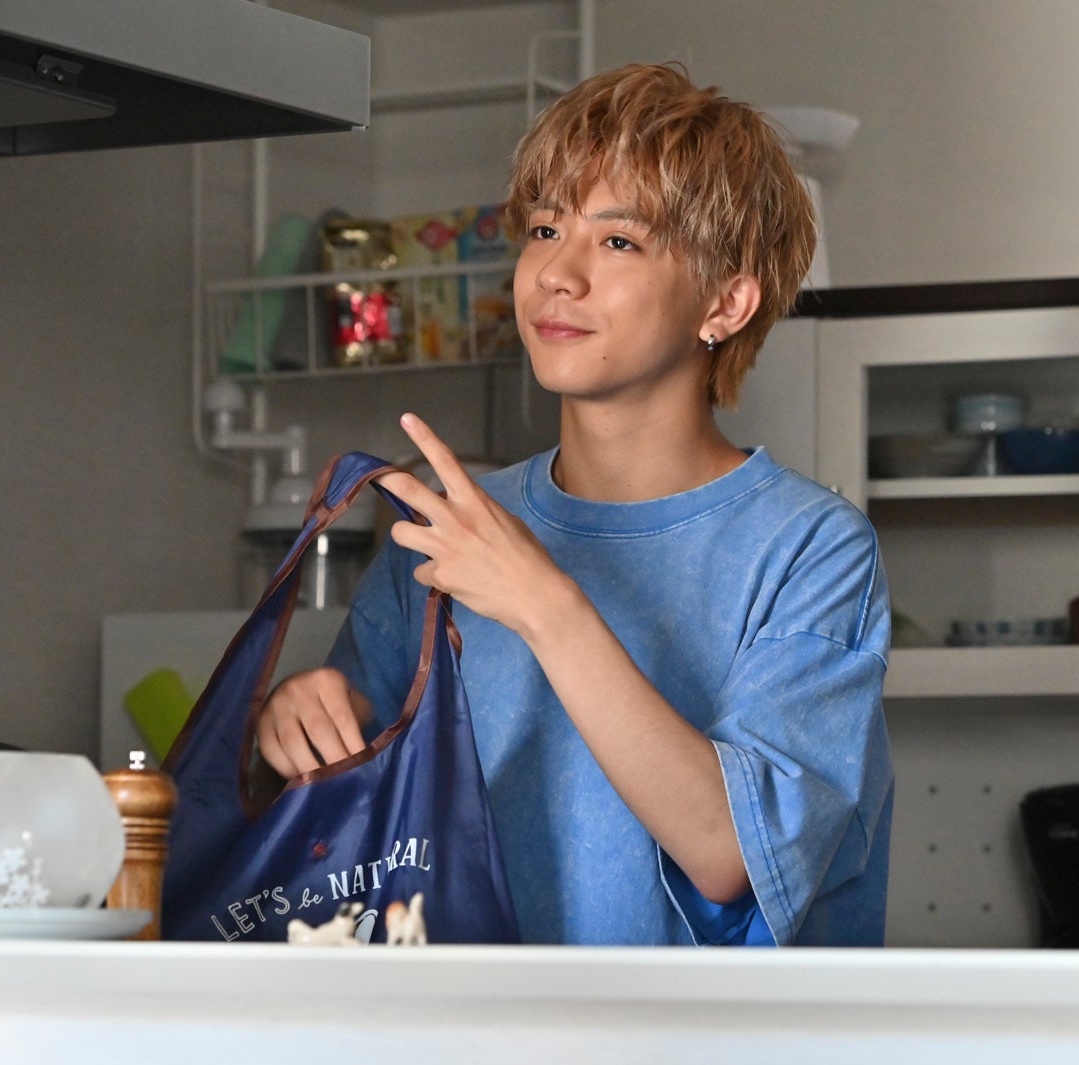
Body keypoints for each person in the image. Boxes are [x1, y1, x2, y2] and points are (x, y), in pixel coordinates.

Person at [255, 62, 893, 947]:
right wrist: (295, 722)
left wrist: (543, 603)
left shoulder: (813, 549)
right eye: (546, 229)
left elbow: (731, 854)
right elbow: (348, 832)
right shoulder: (446, 529)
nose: (557, 272)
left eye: (619, 241)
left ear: (726, 301)